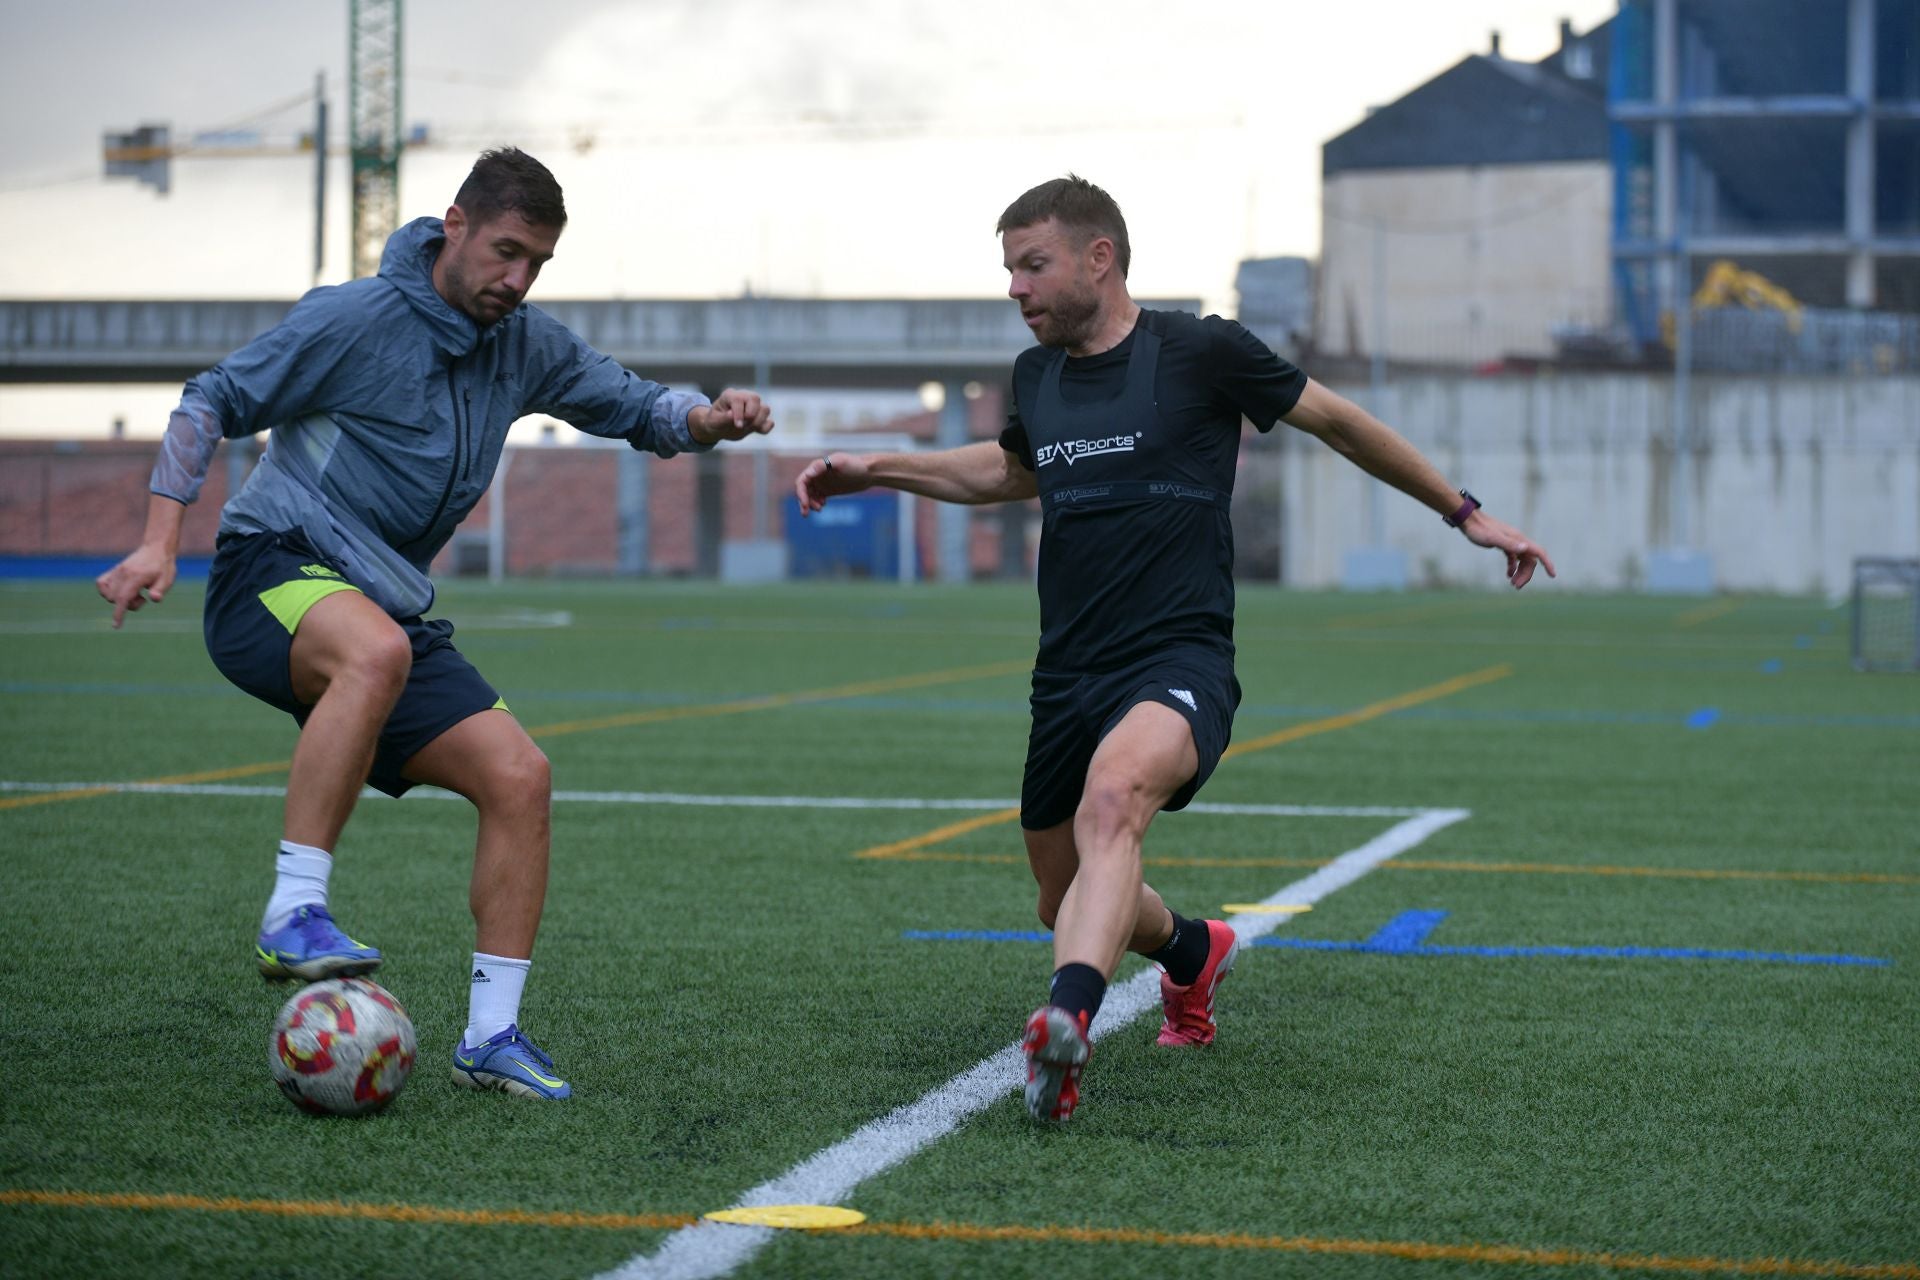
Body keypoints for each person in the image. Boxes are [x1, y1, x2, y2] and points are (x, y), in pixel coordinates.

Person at [795, 175, 1552, 1123]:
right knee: (1063, 897)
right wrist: (876, 468)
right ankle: (1194, 952)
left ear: (1099, 257)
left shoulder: (1201, 350)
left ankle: (1068, 1021)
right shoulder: (1036, 376)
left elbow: (1340, 423)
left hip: (1179, 659)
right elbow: (1011, 472)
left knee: (1114, 801)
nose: (1016, 288)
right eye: (1010, 270)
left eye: (1033, 266)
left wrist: (1464, 513)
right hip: (1067, 672)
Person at [96, 147, 774, 1101]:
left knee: (520, 776)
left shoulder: (523, 343)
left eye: (537, 262)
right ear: (454, 226)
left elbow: (630, 403)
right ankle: (294, 913)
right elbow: (211, 398)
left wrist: (708, 418)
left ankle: (490, 1039)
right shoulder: (354, 318)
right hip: (270, 568)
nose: (518, 279)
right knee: (372, 651)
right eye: (505, 252)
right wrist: (158, 541)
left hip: (382, 606)